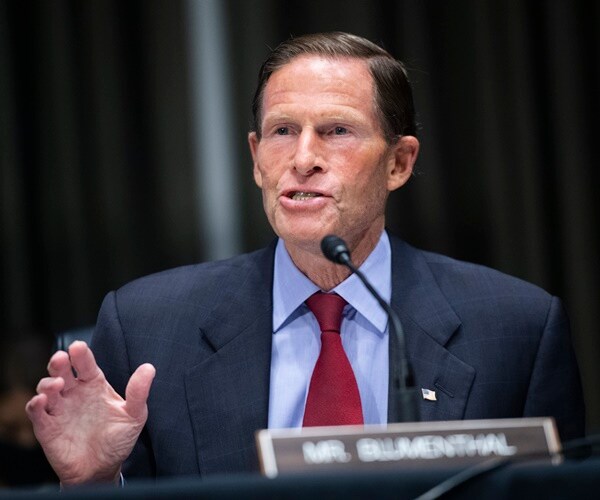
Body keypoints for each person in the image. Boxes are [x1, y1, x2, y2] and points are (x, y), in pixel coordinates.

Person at [26, 32, 585, 486]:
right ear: (256, 159)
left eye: (337, 131)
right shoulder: (147, 325)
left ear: (399, 163)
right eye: (283, 131)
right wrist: (95, 483)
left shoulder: (516, 329)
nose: (303, 158)